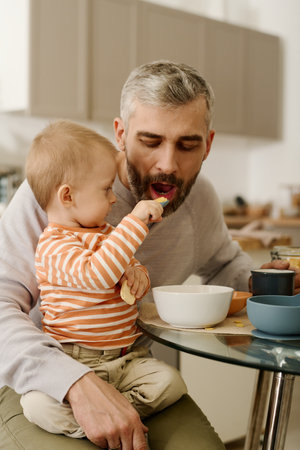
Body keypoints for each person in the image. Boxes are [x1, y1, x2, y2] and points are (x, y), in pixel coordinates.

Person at [0, 60, 299, 450]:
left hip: (133, 372)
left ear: (207, 145)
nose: (168, 164)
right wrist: (72, 383)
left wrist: (266, 281)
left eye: (188, 145)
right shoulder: (60, 193)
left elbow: (223, 263)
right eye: (151, 141)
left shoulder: (200, 199)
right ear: (121, 134)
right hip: (37, 377)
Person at [19, 120, 187, 443]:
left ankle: (121, 411)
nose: (114, 199)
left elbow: (129, 264)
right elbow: (97, 275)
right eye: (106, 189)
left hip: (126, 360)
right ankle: (91, 424)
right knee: (36, 405)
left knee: (171, 381)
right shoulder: (54, 246)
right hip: (74, 361)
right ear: (67, 196)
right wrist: (135, 220)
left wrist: (139, 276)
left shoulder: (108, 234)